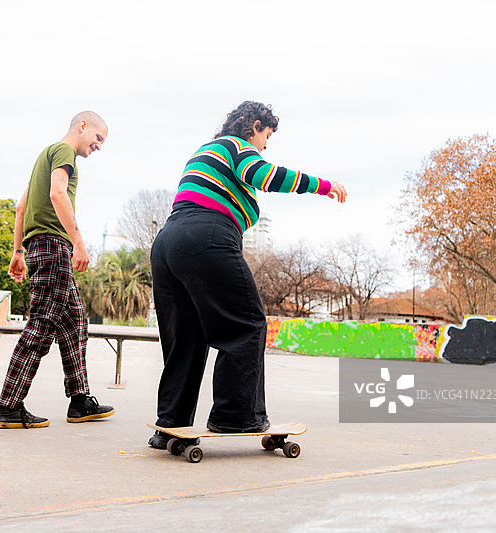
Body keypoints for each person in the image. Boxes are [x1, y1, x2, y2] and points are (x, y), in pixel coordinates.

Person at [148, 101, 347, 448]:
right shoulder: (237, 146)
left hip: (167, 243)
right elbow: (265, 176)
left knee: (186, 338)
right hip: (207, 235)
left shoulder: (204, 152)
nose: (266, 145)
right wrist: (323, 186)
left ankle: (170, 423)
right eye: (266, 136)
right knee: (247, 324)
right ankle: (236, 417)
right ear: (255, 126)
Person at [0, 111, 116, 429]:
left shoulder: (43, 157)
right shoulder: (64, 152)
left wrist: (18, 251)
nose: (99, 146)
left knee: (75, 322)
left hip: (39, 247)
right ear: (82, 126)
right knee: (41, 326)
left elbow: (21, 207)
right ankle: (9, 406)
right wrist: (78, 241)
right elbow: (57, 194)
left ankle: (80, 401)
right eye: (98, 138)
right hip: (53, 247)